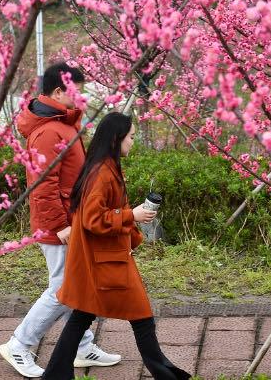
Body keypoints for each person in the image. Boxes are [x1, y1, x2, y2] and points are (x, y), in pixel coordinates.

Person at [41, 112, 191, 380]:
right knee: (142, 317)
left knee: (82, 316)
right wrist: (131, 216)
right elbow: (91, 219)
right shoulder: (102, 172)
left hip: (103, 258)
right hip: (106, 262)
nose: (133, 142)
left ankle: (54, 376)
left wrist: (130, 221)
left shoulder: (104, 167)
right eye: (131, 137)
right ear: (116, 139)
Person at [0, 63, 121, 377]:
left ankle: (81, 347)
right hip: (58, 224)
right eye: (76, 90)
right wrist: (60, 225)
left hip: (70, 219)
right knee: (64, 287)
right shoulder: (49, 130)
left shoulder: (63, 123)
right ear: (57, 92)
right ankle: (19, 344)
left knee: (74, 283)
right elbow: (41, 184)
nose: (81, 96)